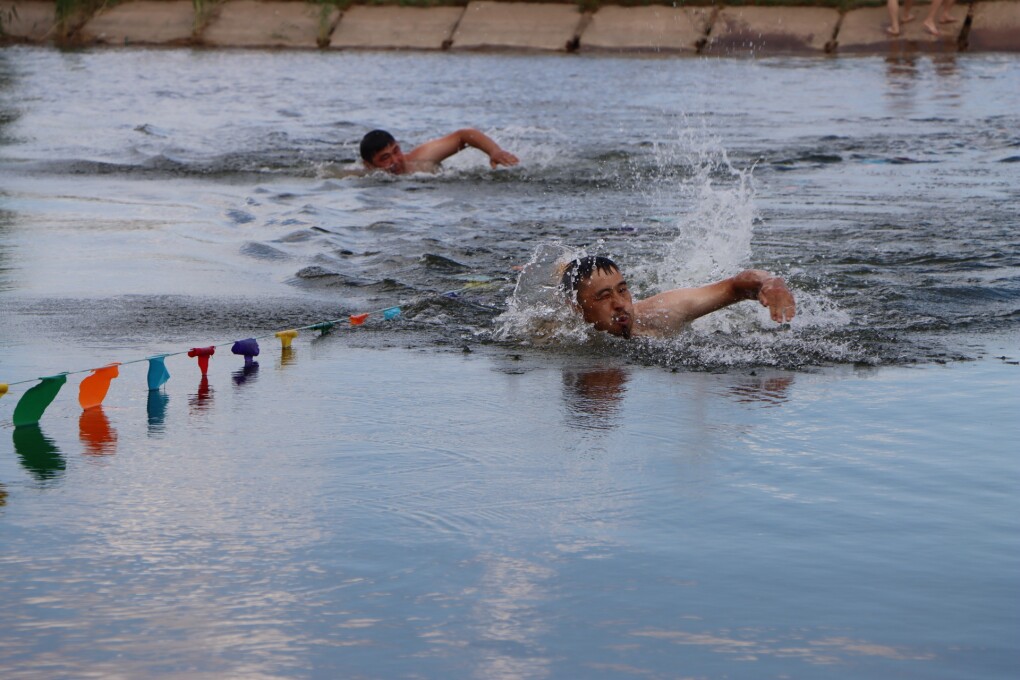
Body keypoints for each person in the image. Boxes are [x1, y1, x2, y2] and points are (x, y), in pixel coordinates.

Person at [560, 255, 796, 339]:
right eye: (604, 296)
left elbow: (736, 286)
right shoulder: (555, 334)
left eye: (622, 290)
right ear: (577, 308)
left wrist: (770, 283)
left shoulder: (662, 314)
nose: (620, 304)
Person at [359, 128, 519, 175]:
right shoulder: (365, 176)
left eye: (396, 151)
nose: (395, 160)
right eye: (385, 158)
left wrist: (494, 151)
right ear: (369, 165)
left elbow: (464, 135)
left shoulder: (421, 159)